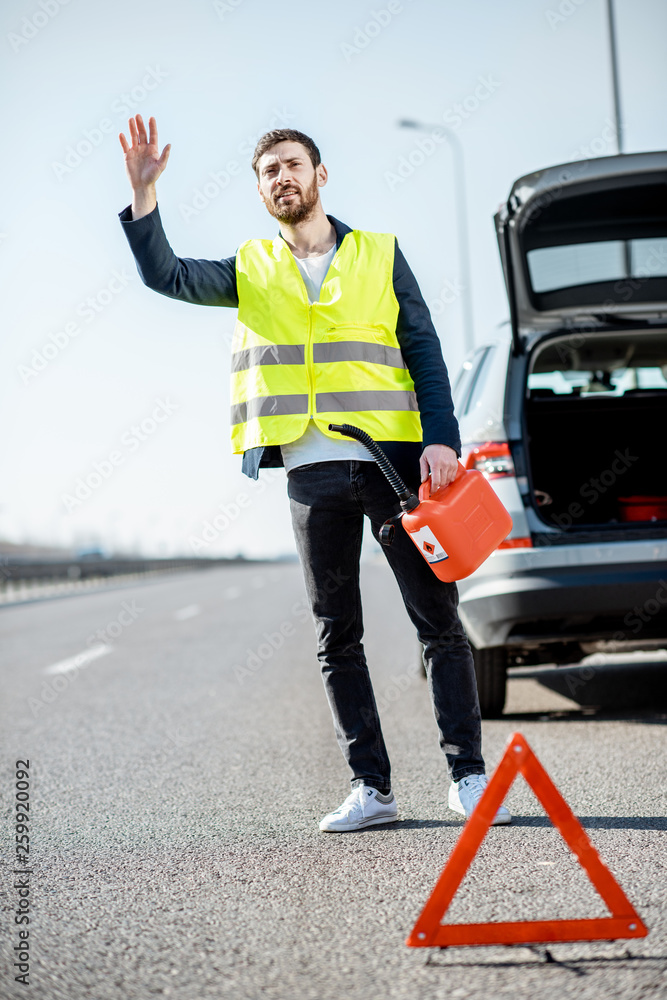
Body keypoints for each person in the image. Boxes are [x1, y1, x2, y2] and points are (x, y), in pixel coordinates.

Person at [117, 114, 511, 832]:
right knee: (336, 635)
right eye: (269, 171)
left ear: (319, 175)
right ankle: (373, 789)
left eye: (293, 165)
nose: (283, 178)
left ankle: (469, 776)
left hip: (393, 468)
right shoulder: (251, 269)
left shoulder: (380, 256)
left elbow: (422, 349)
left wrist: (442, 441)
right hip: (309, 473)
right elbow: (165, 274)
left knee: (439, 625)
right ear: (261, 190)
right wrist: (145, 195)